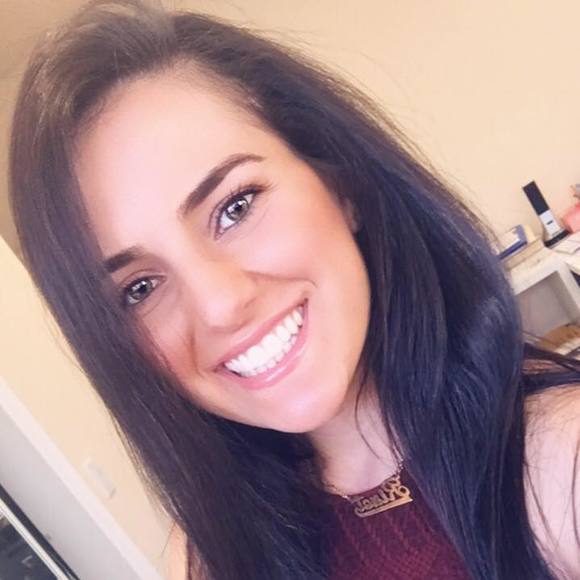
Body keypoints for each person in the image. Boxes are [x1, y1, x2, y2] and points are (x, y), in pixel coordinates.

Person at [7, 1, 580, 578]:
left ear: (340, 183)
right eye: (140, 288)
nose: (219, 305)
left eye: (235, 207)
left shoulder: (556, 457)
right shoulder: (211, 552)